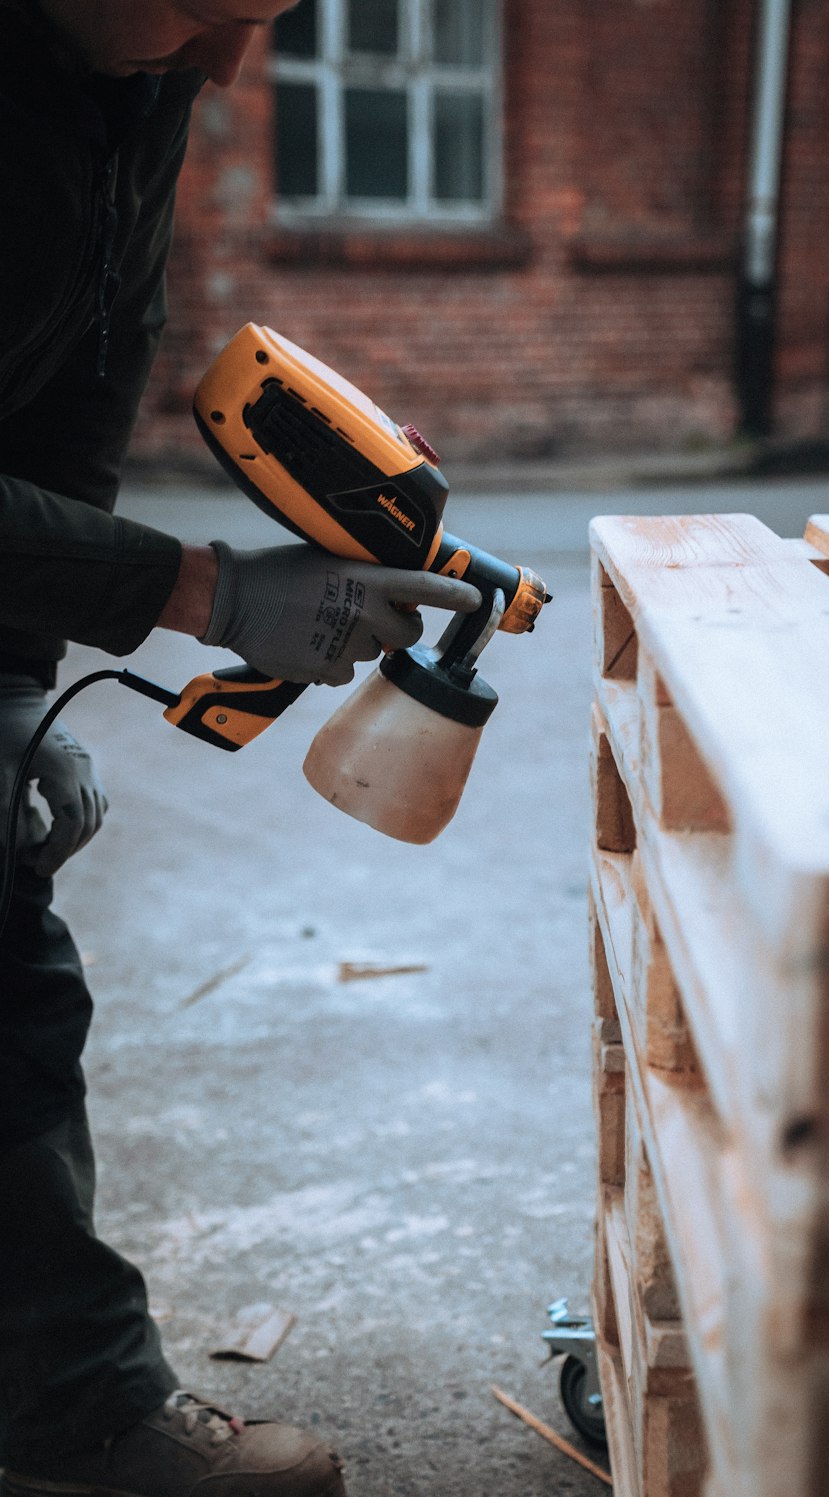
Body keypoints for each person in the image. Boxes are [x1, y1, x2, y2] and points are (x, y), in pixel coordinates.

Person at [0, 4, 480, 1494]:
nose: (232, 64)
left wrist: (15, 679)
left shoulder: (122, 77)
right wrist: (198, 591)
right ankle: (71, 1420)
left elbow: (69, 405)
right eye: (216, 11)